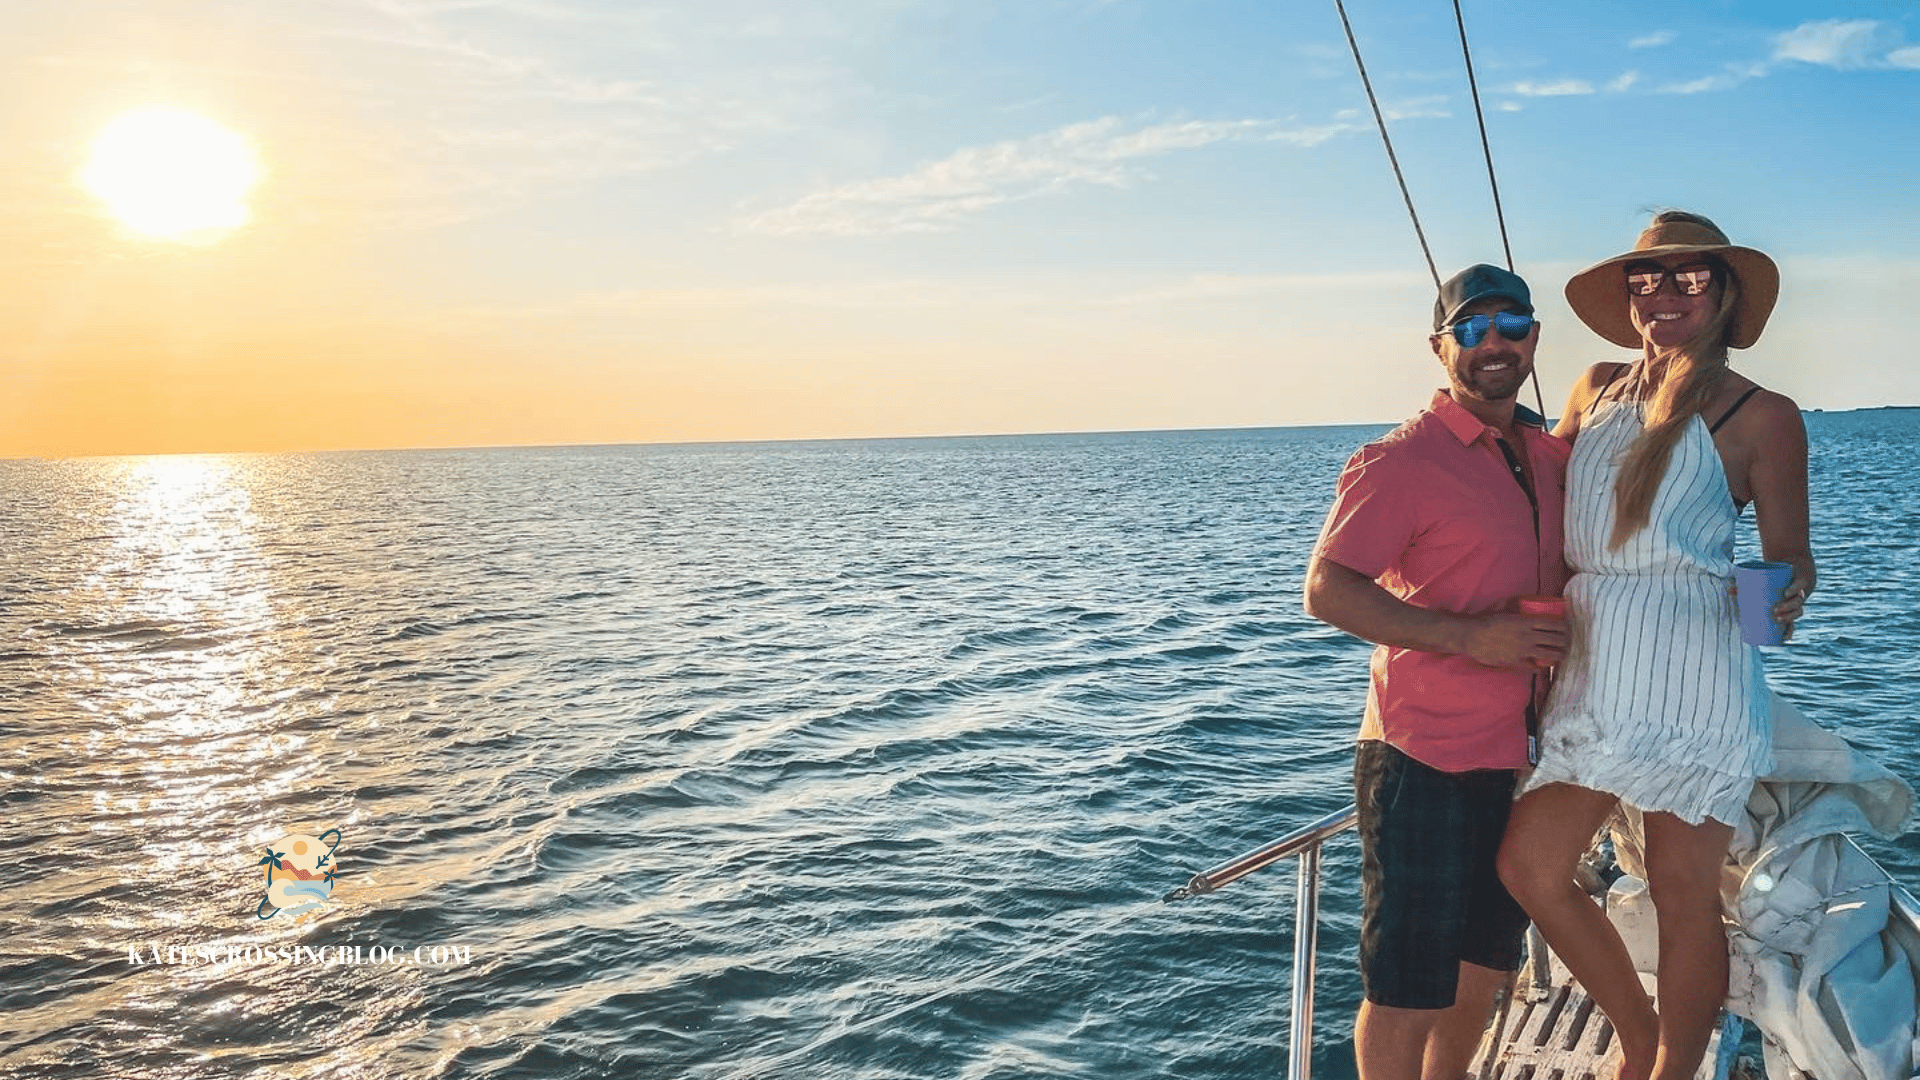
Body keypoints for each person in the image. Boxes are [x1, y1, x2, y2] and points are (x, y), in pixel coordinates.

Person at [1496, 211, 1814, 1080]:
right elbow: (1537, 505)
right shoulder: (1594, 388)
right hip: (1592, 664)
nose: (1663, 295)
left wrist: (1782, 593)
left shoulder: (1763, 414)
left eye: (1688, 278)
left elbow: (1793, 557)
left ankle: (1667, 1073)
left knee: (1682, 896)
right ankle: (1638, 1036)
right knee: (1529, 865)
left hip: (1692, 669)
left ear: (1724, 293)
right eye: (1646, 280)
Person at [1305, 263, 1571, 1080]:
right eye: (1470, 329)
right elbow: (1328, 590)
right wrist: (1471, 640)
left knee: (1487, 967)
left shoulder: (1550, 452)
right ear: (1440, 346)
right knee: (1406, 987)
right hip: (1423, 754)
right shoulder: (1400, 461)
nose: (1492, 344)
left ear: (1533, 336)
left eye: (1510, 325)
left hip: (1525, 754)